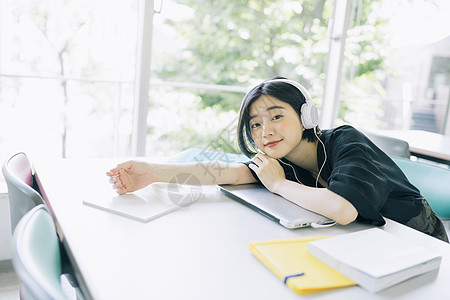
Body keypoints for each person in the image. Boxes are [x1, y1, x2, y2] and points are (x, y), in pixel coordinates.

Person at [107, 77, 448, 242]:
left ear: (306, 115)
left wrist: (279, 185)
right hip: (365, 240)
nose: (264, 131)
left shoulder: (346, 141)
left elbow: (344, 210)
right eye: (255, 124)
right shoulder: (281, 158)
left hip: (417, 239)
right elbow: (227, 173)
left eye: (276, 116)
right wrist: (152, 172)